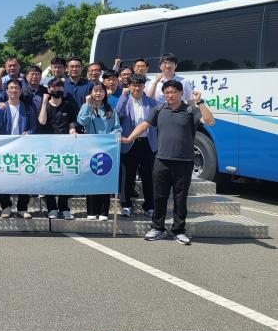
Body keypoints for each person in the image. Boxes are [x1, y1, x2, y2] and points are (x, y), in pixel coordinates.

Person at [122, 81, 215, 244]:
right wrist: (130, 138)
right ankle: (157, 228)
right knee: (159, 196)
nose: (170, 95)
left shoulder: (190, 110)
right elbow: (144, 125)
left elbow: (209, 121)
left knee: (180, 198)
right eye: (167, 92)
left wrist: (200, 102)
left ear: (181, 93)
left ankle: (178, 230)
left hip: (184, 161)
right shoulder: (159, 109)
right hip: (161, 160)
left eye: (173, 92)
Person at [0, 78, 38, 219]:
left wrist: (28, 133)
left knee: (24, 178)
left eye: (16, 88)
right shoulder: (2, 106)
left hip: (23, 148)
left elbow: (33, 126)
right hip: (5, 148)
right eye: (11, 88)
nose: (14, 90)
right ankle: (6, 207)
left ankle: (22, 208)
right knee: (4, 178)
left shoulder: (27, 108)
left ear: (20, 90)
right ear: (7, 91)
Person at [76, 81, 122, 220]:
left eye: (101, 91)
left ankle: (103, 212)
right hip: (90, 149)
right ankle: (91, 211)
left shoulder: (110, 109)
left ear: (105, 93)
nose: (98, 93)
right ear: (90, 93)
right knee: (91, 179)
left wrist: (109, 137)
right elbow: (81, 122)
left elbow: (117, 128)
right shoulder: (86, 106)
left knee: (105, 179)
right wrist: (88, 105)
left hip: (106, 149)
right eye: (95, 91)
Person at [116, 74, 158, 218]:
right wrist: (123, 97)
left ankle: (149, 206)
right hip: (129, 143)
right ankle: (126, 205)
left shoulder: (152, 103)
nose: (136, 88)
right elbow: (117, 115)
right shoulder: (124, 100)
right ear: (129, 86)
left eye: (139, 85)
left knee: (148, 176)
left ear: (144, 86)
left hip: (147, 143)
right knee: (127, 176)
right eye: (133, 85)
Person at [37, 78, 78, 220]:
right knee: (49, 178)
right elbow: (42, 121)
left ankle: (64, 207)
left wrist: (72, 131)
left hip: (65, 148)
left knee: (65, 178)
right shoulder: (45, 105)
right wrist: (44, 101)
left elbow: (71, 124)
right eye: (53, 88)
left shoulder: (68, 105)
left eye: (59, 87)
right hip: (48, 148)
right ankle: (52, 208)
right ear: (49, 89)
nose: (56, 90)